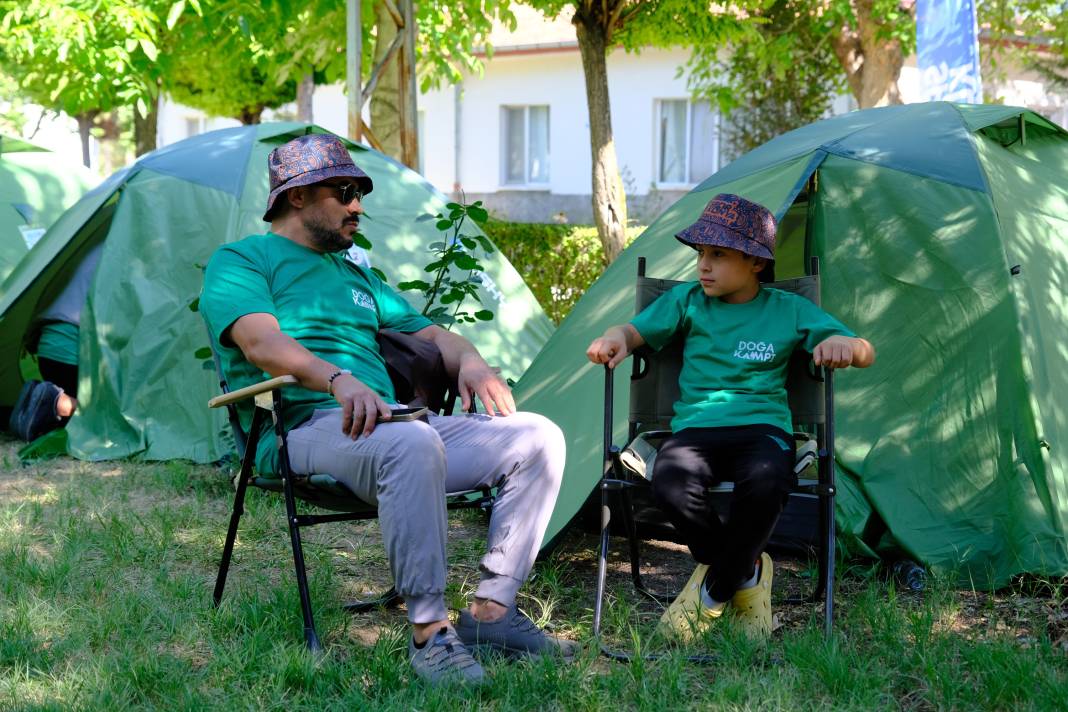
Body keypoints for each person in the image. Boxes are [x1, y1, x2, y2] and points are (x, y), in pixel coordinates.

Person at [199, 133, 574, 686]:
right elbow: (259, 343)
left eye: (361, 192)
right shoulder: (242, 260)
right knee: (410, 441)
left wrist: (470, 362)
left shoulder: (358, 277)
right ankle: (429, 633)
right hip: (303, 424)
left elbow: (434, 334)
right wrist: (337, 380)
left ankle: (491, 613)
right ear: (297, 196)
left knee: (537, 437)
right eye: (345, 191)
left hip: (391, 424)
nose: (358, 205)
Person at [585, 193, 875, 642]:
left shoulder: (789, 309)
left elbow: (864, 350)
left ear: (756, 262)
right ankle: (747, 573)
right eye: (701, 253)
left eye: (718, 255)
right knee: (669, 484)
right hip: (695, 429)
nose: (704, 265)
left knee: (768, 483)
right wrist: (614, 337)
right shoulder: (686, 301)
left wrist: (845, 347)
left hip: (763, 430)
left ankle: (711, 595)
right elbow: (632, 331)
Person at [7, 243, 103, 441]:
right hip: (69, 356)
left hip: (47, 348)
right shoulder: (114, 257)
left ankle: (39, 399)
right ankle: (55, 400)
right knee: (104, 413)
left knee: (66, 424)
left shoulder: (84, 251)